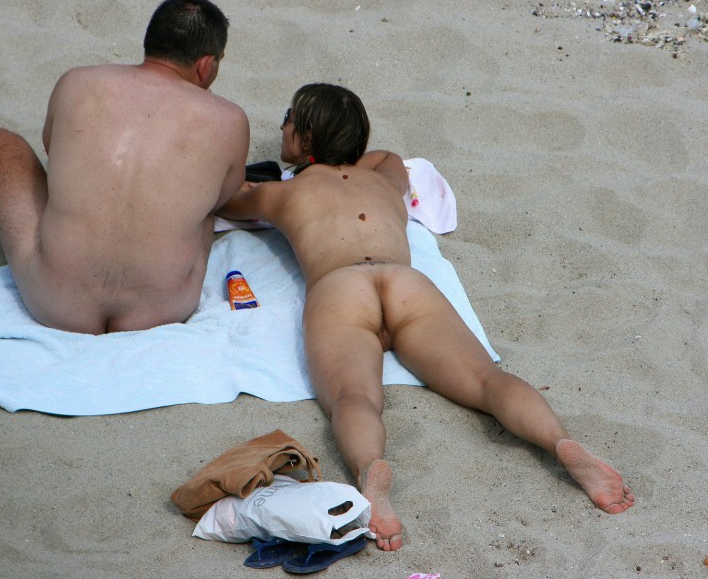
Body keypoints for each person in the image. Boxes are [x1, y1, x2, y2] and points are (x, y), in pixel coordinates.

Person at [217, 83, 634, 552]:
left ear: (308, 138)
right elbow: (390, 157)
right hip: (405, 283)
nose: (282, 125)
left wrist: (272, 179)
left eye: (290, 118)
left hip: (341, 288)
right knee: (485, 380)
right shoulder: (385, 181)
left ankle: (371, 472)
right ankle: (560, 443)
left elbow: (226, 199)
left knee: (355, 397)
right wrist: (351, 155)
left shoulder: (283, 195)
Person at [0, 0, 249, 333]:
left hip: (55, 301)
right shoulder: (230, 120)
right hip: (164, 309)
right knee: (204, 204)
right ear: (206, 65)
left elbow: (51, 150)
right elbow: (223, 194)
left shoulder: (78, 81)